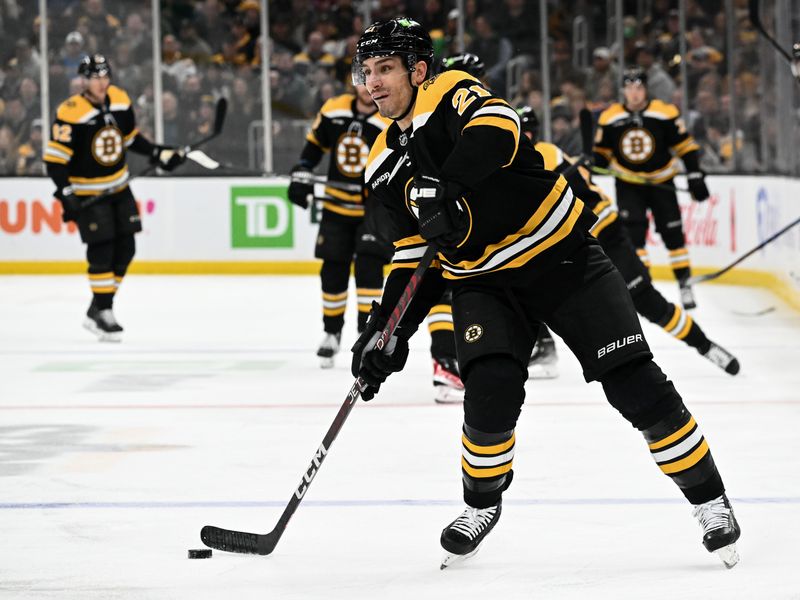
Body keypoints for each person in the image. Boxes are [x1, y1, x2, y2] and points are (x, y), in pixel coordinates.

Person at [349, 18, 740, 569]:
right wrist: (384, 332)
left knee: (635, 386)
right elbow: (414, 255)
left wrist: (450, 184)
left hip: (562, 259)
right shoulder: (383, 160)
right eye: (367, 72)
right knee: (489, 394)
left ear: (417, 69)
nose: (374, 83)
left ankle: (711, 500)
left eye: (385, 69)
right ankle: (481, 506)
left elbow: (499, 128)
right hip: (481, 281)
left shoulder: (452, 91)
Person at [517, 106, 740, 376]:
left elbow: (570, 191)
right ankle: (545, 347)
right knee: (528, 286)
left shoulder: (544, 153)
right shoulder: (529, 161)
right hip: (578, 243)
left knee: (647, 303)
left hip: (605, 233)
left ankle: (705, 346)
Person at [44, 54, 186, 341]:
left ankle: (98, 307)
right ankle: (105, 312)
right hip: (89, 193)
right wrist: (65, 193)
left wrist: (158, 153)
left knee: (127, 249)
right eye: (95, 77)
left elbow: (130, 138)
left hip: (119, 187)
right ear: (84, 80)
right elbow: (55, 160)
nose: (101, 82)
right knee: (101, 250)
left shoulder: (120, 99)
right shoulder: (70, 112)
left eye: (105, 76)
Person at [287, 84, 392, 368]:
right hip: (336, 208)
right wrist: (302, 172)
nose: (367, 85)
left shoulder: (389, 117)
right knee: (332, 269)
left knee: (369, 267)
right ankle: (331, 332)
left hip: (373, 210)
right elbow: (312, 149)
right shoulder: (334, 109)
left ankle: (365, 332)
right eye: (362, 77)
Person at [593, 67, 709, 310]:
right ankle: (644, 288)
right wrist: (592, 163)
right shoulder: (610, 117)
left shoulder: (664, 113)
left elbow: (685, 146)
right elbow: (601, 154)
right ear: (623, 90)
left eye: (639, 88)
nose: (634, 93)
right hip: (628, 184)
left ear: (645, 89)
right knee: (635, 237)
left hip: (661, 182)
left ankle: (684, 284)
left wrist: (695, 176)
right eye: (629, 88)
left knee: (673, 235)